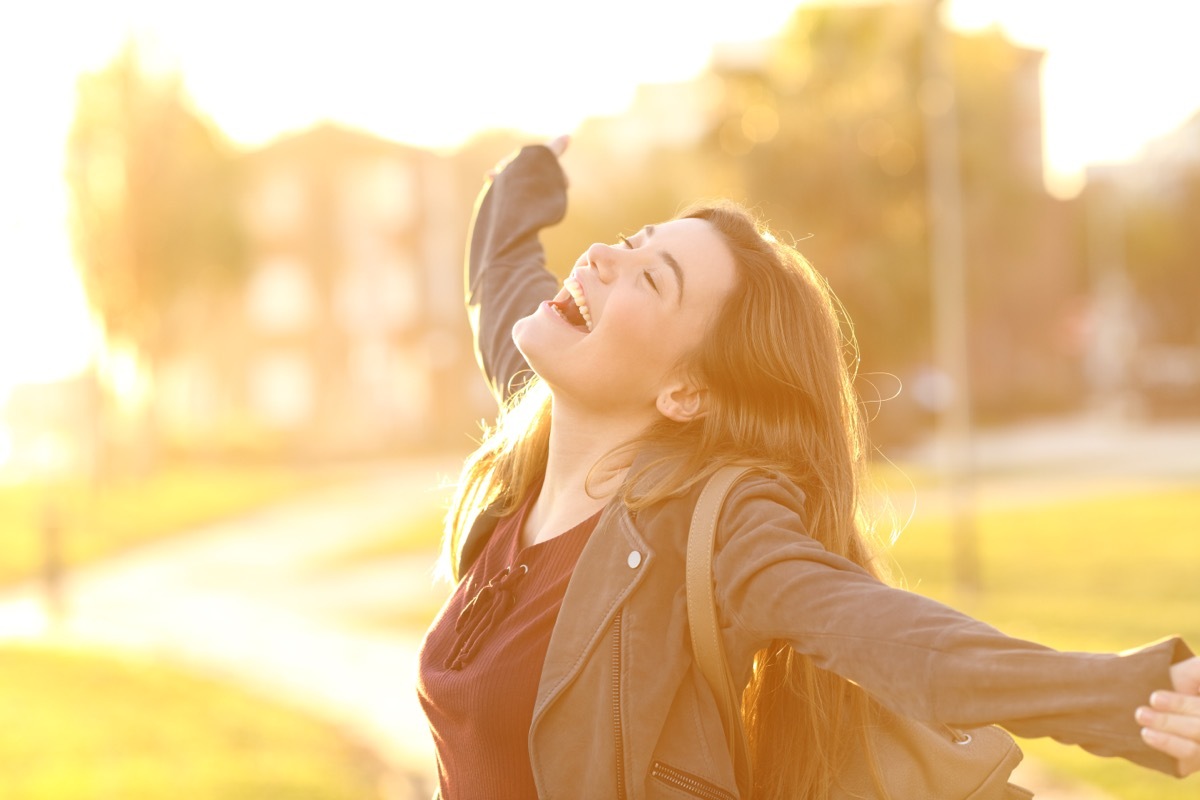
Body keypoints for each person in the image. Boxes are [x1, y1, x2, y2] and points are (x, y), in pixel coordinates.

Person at [416, 137, 1200, 799]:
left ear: (686, 392)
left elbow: (891, 635)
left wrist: (1127, 696)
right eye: (632, 241)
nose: (601, 256)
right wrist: (530, 176)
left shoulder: (710, 527)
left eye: (651, 277)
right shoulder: (529, 447)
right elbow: (501, 280)